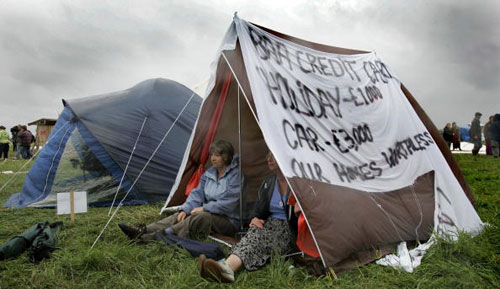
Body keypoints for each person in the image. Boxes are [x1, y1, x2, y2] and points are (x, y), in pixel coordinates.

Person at [198, 152, 298, 283]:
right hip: (269, 223)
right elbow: (259, 209)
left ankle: (224, 267)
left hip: (289, 229)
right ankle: (226, 268)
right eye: (268, 156)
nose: (269, 159)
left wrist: (300, 210)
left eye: (273, 156)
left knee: (258, 237)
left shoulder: (297, 184)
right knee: (254, 232)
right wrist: (256, 218)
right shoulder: (269, 181)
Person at [118, 140, 242, 241]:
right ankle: (143, 230)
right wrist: (185, 209)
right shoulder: (209, 173)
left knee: (199, 217)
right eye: (211, 155)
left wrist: (205, 208)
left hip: (229, 220)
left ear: (225, 157)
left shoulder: (236, 176)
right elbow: (197, 194)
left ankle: (154, 238)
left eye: (217, 155)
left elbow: (231, 203)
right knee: (181, 215)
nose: (212, 158)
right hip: (210, 213)